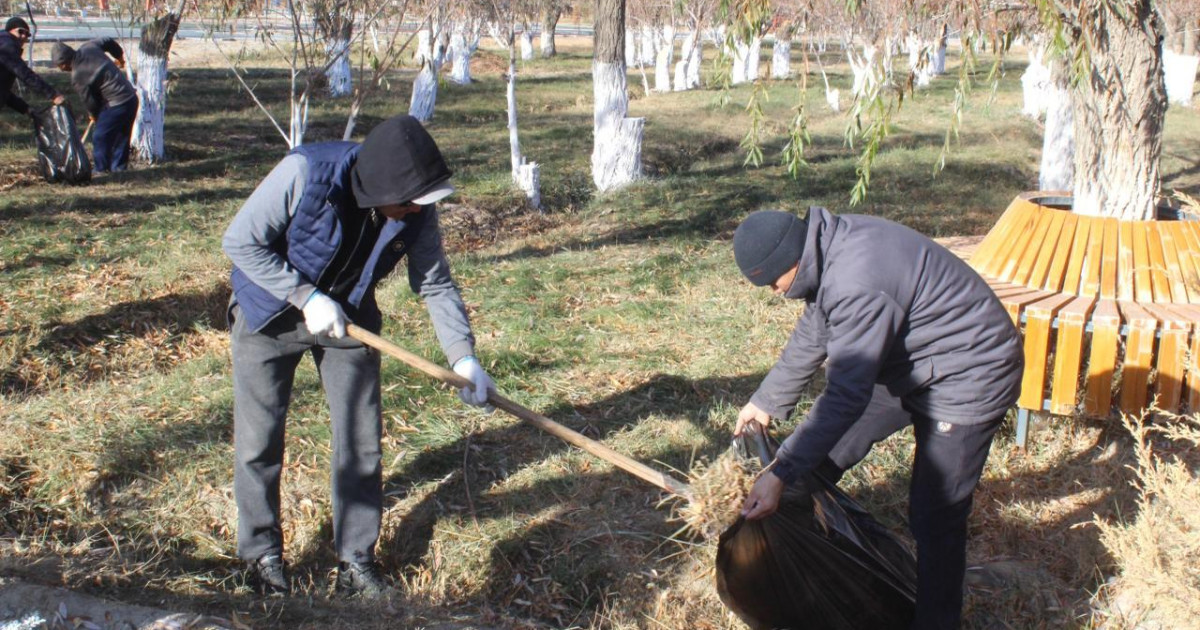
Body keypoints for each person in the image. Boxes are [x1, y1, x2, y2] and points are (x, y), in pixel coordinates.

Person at [222, 114, 497, 599]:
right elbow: (240, 241)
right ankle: (261, 556)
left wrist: (463, 358)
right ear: (377, 189)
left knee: (362, 443)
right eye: (408, 204)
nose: (416, 212)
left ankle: (355, 562)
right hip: (268, 315)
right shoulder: (305, 173)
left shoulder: (415, 206)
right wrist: (304, 297)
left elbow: (433, 281)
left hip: (349, 320)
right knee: (258, 441)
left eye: (421, 204)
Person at [730, 208, 1022, 630]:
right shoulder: (827, 249)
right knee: (824, 457)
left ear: (790, 260)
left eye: (772, 282)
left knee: (934, 514)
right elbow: (817, 329)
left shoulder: (856, 279)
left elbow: (846, 396)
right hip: (915, 361)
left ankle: (936, 621)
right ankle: (808, 562)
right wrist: (767, 400)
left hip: (971, 371)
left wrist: (781, 469)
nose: (774, 293)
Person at [50, 39, 137, 173]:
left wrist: (95, 115)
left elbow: (90, 101)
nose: (61, 69)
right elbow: (108, 41)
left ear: (64, 63)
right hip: (131, 98)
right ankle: (119, 169)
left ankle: (100, 170)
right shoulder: (89, 47)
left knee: (100, 136)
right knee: (122, 135)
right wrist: (119, 57)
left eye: (59, 66)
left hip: (117, 103)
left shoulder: (78, 75)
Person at [1, 17, 65, 117]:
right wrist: (52, 94)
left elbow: (3, 90)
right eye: (20, 31)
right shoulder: (6, 45)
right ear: (10, 30)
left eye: (27, 34)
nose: (23, 36)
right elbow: (25, 74)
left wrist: (25, 109)